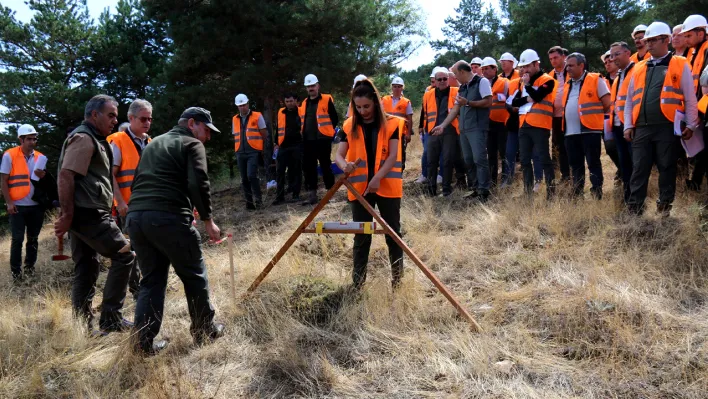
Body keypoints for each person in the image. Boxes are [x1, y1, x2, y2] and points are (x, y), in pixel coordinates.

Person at [126, 107, 225, 355]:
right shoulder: (191, 144)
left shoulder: (153, 143)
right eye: (206, 130)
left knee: (151, 281)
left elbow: (139, 180)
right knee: (194, 275)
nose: (208, 137)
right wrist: (208, 220)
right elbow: (198, 182)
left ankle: (142, 344)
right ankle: (204, 330)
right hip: (167, 217)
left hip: (137, 218)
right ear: (192, 123)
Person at [54, 94, 135, 333]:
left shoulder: (95, 138)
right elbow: (66, 175)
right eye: (110, 115)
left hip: (84, 212)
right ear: (94, 114)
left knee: (87, 267)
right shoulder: (84, 138)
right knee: (125, 256)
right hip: (88, 213)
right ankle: (110, 319)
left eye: (115, 117)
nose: (114, 120)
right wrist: (67, 215)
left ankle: (83, 327)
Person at [623, 22, 700, 216]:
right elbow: (630, 101)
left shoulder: (680, 63)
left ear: (666, 40)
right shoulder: (638, 67)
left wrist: (691, 124)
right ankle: (635, 209)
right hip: (641, 127)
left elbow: (690, 97)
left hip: (667, 126)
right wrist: (628, 125)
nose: (648, 44)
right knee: (639, 168)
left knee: (667, 167)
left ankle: (664, 207)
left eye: (652, 40)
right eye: (646, 41)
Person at [335, 78, 403, 289]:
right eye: (358, 107)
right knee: (362, 237)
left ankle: (398, 282)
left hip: (387, 187)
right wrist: (344, 165)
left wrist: (377, 179)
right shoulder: (349, 125)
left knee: (393, 235)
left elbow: (392, 156)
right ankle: (358, 285)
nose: (362, 111)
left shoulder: (392, 123)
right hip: (359, 190)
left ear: (375, 101)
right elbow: (338, 155)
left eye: (366, 106)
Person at [106, 99, 152, 299]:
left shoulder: (149, 142)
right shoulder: (118, 141)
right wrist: (120, 202)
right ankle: (136, 289)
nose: (147, 122)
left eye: (150, 119)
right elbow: (110, 174)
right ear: (131, 118)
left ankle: (147, 284)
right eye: (143, 118)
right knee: (131, 249)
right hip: (128, 207)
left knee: (147, 248)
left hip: (148, 205)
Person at [433, 60, 493, 201]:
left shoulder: (482, 82)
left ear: (462, 72)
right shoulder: (462, 87)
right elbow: (455, 109)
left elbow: (489, 101)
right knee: (468, 159)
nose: (454, 77)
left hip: (477, 127)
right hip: (464, 129)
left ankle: (484, 191)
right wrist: (442, 125)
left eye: (455, 74)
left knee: (479, 159)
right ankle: (475, 188)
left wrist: (468, 103)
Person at [1, 124, 48, 283]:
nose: (32, 142)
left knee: (33, 239)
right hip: (17, 206)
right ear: (21, 139)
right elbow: (3, 181)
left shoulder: (40, 157)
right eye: (29, 139)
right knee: (17, 240)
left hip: (36, 207)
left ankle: (29, 269)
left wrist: (43, 177)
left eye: (34, 139)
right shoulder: (10, 155)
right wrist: (9, 202)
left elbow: (45, 183)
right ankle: (16, 274)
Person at [561, 53, 612, 199]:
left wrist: (594, 119)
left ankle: (597, 192)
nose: (567, 68)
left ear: (581, 65)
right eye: (566, 65)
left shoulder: (596, 79)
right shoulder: (567, 85)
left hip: (590, 130)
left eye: (570, 65)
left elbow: (607, 103)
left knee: (593, 163)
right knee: (575, 165)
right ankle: (577, 194)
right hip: (570, 133)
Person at [511, 49, 557, 198]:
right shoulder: (523, 82)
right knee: (524, 160)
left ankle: (551, 192)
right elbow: (514, 102)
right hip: (523, 125)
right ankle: (528, 192)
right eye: (522, 67)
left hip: (540, 125)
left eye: (527, 66)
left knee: (544, 158)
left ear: (536, 64)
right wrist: (528, 97)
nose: (524, 69)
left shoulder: (547, 80)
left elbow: (537, 96)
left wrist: (529, 87)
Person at [299, 74, 339, 205]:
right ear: (306, 88)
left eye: (313, 85)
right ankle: (312, 195)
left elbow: (334, 118)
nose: (311, 88)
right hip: (308, 140)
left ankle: (330, 194)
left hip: (323, 139)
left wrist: (329, 133)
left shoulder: (327, 99)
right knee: (309, 168)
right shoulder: (304, 103)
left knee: (326, 166)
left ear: (318, 86)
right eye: (308, 86)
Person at [422, 67, 461, 196]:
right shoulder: (428, 94)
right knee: (431, 161)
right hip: (433, 131)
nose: (443, 81)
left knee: (447, 160)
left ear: (448, 79)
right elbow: (425, 112)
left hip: (450, 131)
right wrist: (423, 128)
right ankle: (431, 189)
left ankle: (446, 189)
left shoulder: (456, 91)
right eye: (440, 79)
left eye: (445, 79)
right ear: (435, 80)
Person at [608, 41, 637, 202]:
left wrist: (631, 123)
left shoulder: (637, 71)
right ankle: (628, 198)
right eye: (611, 56)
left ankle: (636, 200)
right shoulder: (619, 76)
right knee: (625, 165)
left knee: (634, 164)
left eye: (617, 54)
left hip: (632, 126)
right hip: (618, 127)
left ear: (627, 53)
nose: (613, 58)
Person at [682, 15, 708, 190]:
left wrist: (699, 113)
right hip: (698, 107)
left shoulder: (706, 50)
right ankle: (696, 183)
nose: (686, 39)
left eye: (689, 35)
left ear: (701, 32)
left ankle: (697, 183)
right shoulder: (694, 52)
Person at [233, 93, 268, 210]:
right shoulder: (235, 119)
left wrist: (260, 146)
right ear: (237, 107)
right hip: (240, 152)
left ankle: (259, 201)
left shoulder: (257, 116)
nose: (242, 107)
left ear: (248, 104)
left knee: (251, 175)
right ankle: (249, 203)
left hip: (253, 151)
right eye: (240, 105)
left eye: (244, 105)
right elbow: (235, 135)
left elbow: (264, 133)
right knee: (244, 178)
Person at [481, 57, 510, 187]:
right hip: (488, 123)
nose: (485, 71)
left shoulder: (504, 82)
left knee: (504, 152)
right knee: (491, 154)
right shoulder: (482, 83)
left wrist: (495, 96)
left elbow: (509, 98)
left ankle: (506, 178)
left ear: (495, 69)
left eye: (487, 68)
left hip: (503, 123)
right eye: (483, 69)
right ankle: (492, 181)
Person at [416, 67, 445, 185]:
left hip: (443, 127)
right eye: (433, 81)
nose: (434, 83)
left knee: (443, 152)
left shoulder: (447, 91)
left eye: (435, 81)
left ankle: (441, 175)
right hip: (429, 128)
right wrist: (420, 126)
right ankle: (425, 174)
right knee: (427, 152)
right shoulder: (428, 92)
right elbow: (424, 110)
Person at [273, 93, 303, 204]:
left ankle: (296, 194)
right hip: (283, 146)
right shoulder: (281, 112)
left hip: (297, 145)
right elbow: (278, 128)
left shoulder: (301, 111)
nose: (289, 103)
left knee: (296, 170)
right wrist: (276, 143)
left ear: (295, 101)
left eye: (291, 101)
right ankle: (280, 197)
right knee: (280, 171)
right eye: (287, 101)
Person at [548, 46, 571, 182]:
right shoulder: (550, 76)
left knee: (571, 145)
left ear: (563, 57)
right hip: (556, 117)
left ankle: (574, 173)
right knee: (558, 146)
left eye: (556, 57)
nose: (553, 61)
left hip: (570, 115)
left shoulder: (572, 70)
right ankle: (564, 174)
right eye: (551, 59)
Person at [381, 77, 413, 171]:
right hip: (386, 132)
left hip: (400, 133)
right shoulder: (384, 99)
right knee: (385, 153)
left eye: (399, 86)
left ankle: (399, 173)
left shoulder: (406, 102)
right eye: (395, 86)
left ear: (402, 88)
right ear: (392, 87)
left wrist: (408, 134)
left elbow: (409, 119)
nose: (397, 88)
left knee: (400, 154)